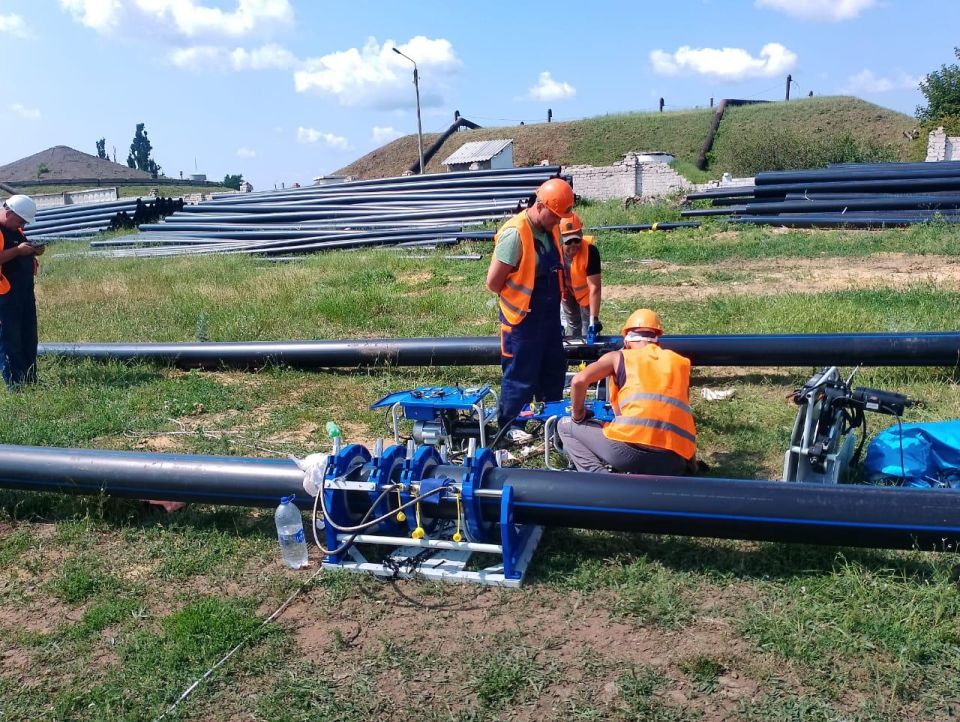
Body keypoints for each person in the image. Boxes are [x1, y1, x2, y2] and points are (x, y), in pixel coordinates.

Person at [486, 178, 574, 441]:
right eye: (555, 216)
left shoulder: (551, 229)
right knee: (521, 371)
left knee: (553, 367)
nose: (557, 222)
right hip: (521, 316)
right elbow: (493, 282)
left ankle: (550, 421)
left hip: (547, 313)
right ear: (540, 205)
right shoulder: (515, 234)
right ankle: (511, 426)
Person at [557, 308, 695, 475]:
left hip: (629, 453)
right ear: (657, 340)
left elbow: (579, 381)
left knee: (564, 426)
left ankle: (600, 480)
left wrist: (578, 415)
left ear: (627, 340)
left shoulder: (619, 357)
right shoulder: (680, 363)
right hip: (674, 461)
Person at [0, 194, 44, 388]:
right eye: (21, 221)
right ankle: (15, 385)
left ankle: (30, 379)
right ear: (9, 213)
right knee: (10, 339)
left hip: (23, 292)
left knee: (28, 336)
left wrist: (33, 251)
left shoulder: (15, 230)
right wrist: (18, 251)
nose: (23, 226)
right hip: (4, 295)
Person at [557, 213, 602, 339]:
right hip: (566, 293)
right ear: (560, 240)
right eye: (568, 241)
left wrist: (594, 319)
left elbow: (595, 288)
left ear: (581, 235)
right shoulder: (555, 251)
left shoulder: (590, 252)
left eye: (576, 240)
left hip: (586, 295)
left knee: (588, 326)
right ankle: (573, 352)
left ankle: (589, 354)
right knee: (572, 324)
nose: (573, 245)